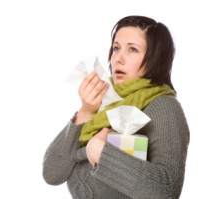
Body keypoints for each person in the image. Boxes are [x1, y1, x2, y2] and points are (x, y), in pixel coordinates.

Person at [42, 15, 190, 199]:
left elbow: (167, 190)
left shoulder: (164, 106)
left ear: (155, 59)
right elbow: (52, 174)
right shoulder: (106, 100)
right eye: (116, 48)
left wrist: (101, 154)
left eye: (133, 50)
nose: (118, 59)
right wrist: (85, 111)